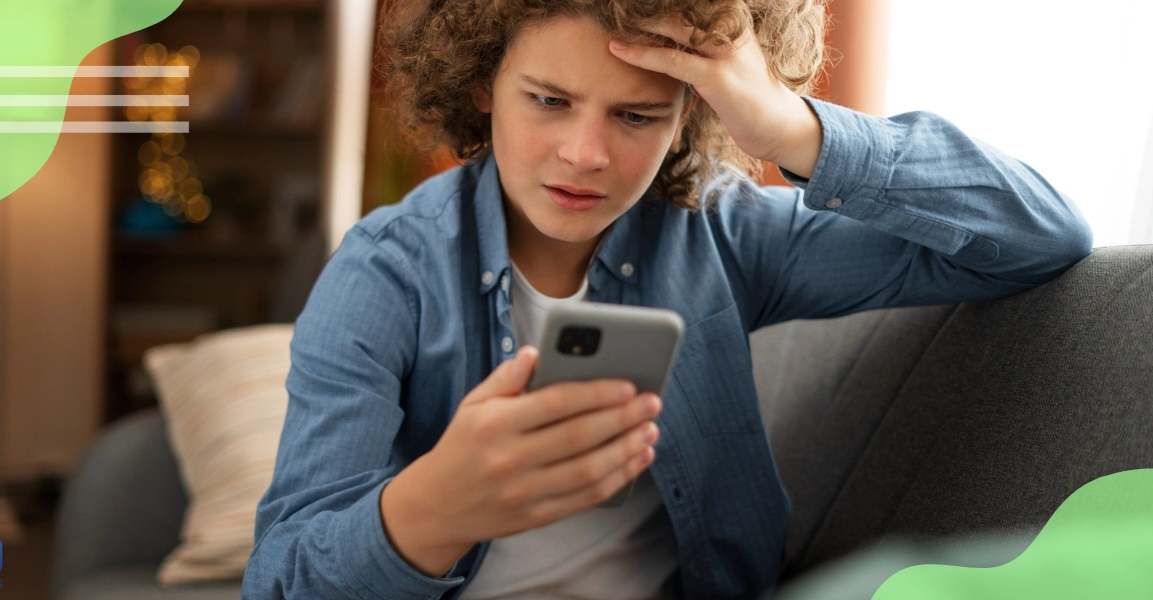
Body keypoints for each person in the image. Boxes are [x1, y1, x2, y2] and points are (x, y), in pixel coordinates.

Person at [242, 0, 1093, 598]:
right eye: (548, 101)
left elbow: (1040, 236)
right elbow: (281, 581)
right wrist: (433, 509)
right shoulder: (383, 274)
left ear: (689, 115)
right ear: (481, 86)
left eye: (638, 117)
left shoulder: (719, 233)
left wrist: (794, 129)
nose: (585, 153)